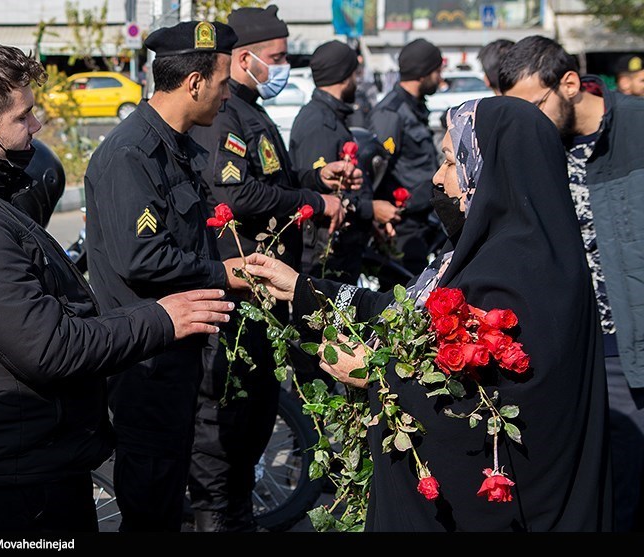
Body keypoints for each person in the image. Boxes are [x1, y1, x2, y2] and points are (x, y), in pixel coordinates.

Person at [0, 39, 232, 534]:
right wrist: (162, 318)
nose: (36, 127)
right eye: (23, 118)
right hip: (16, 483)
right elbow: (48, 347)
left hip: (30, 460)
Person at [246, 96, 612, 531]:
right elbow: (406, 313)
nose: (438, 180)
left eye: (451, 162)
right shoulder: (488, 252)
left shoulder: (519, 274)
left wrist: (375, 374)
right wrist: (303, 290)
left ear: (490, 169)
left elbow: (499, 402)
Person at [187, 4, 362, 531]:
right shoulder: (230, 115)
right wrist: (310, 196)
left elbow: (270, 177)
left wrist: (314, 176)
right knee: (231, 425)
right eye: (277, 58)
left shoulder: (250, 110)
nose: (283, 69)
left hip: (264, 284)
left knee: (256, 413)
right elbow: (233, 190)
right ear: (243, 60)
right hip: (240, 288)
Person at [83, 21, 242, 533]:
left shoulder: (177, 146)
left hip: (176, 352)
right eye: (222, 82)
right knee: (151, 503)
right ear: (194, 84)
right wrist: (225, 273)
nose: (227, 92)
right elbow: (141, 257)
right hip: (144, 360)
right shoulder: (131, 154)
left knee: (169, 496)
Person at [499, 35, 644, 532]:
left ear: (569, 85)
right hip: (576, 353)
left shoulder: (637, 128)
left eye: (535, 106)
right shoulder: (538, 150)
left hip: (632, 349)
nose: (527, 122)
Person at [289, 39, 401, 283]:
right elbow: (316, 192)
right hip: (324, 256)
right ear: (344, 76)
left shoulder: (332, 117)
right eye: (354, 73)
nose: (357, 80)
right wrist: (371, 209)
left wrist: (367, 221)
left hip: (342, 248)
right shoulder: (319, 123)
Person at [368, 38, 444, 275]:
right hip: (403, 224)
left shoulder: (415, 106)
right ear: (422, 74)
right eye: (436, 72)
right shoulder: (391, 112)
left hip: (426, 218)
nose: (440, 79)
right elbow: (378, 169)